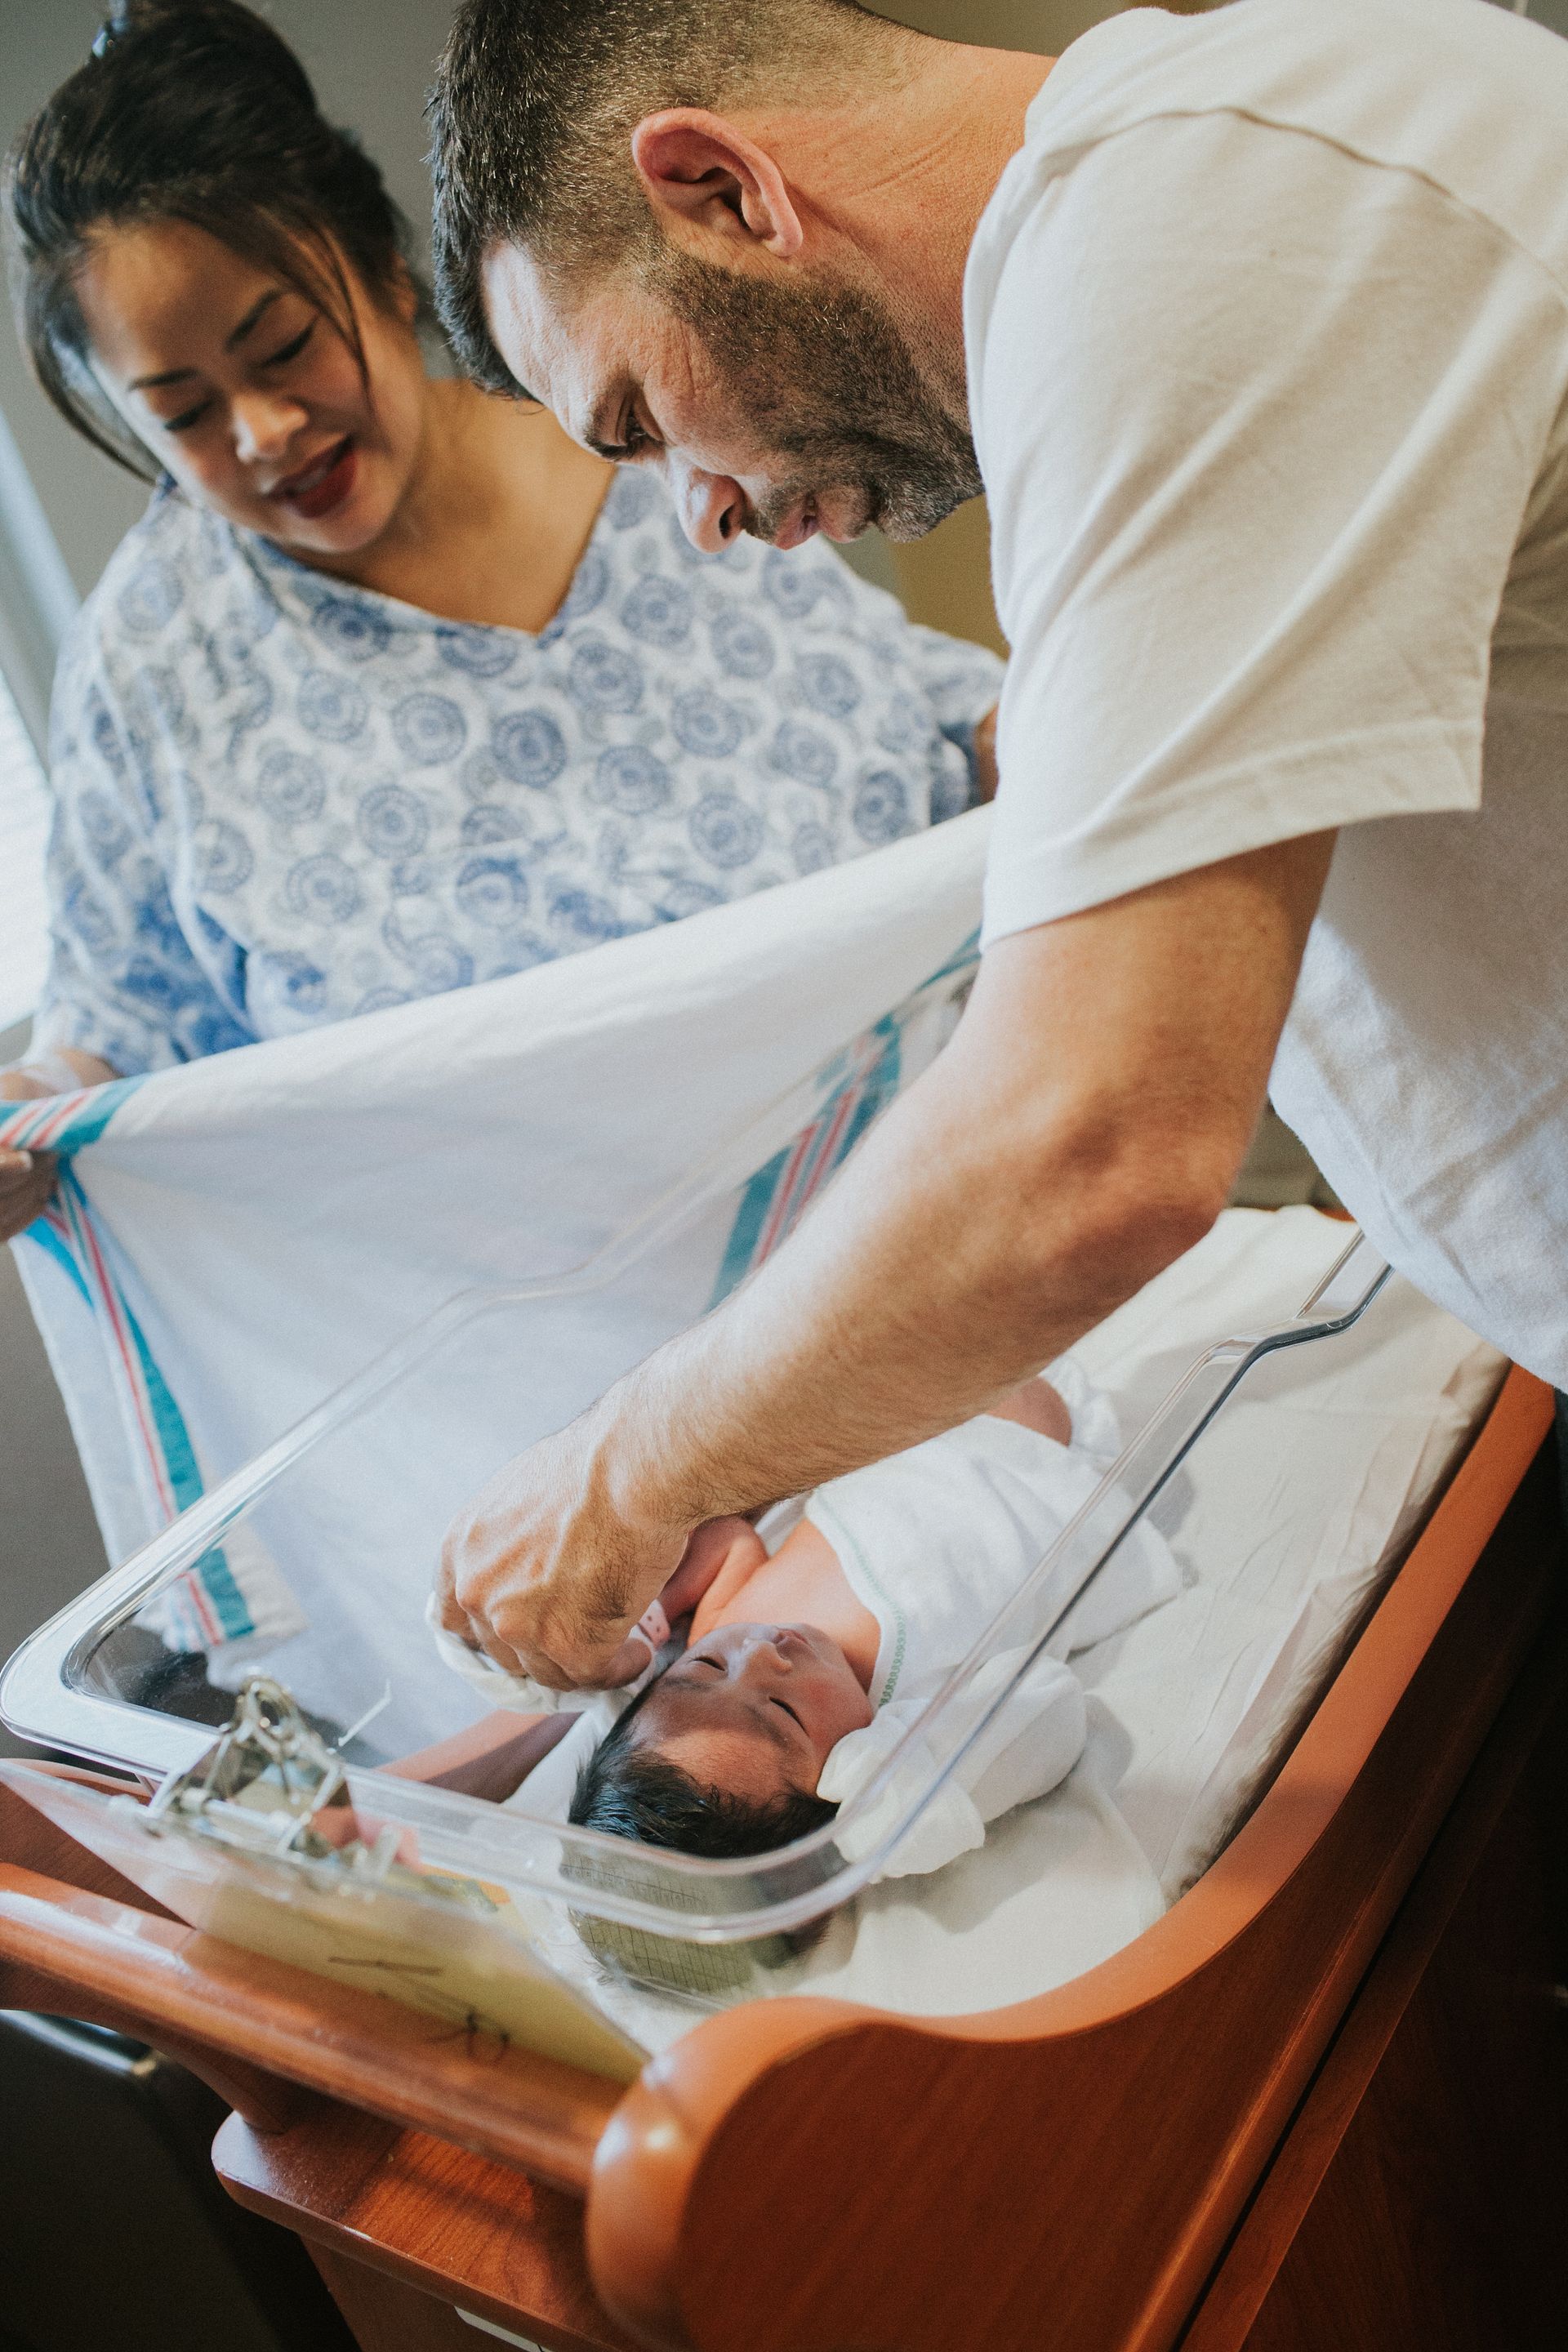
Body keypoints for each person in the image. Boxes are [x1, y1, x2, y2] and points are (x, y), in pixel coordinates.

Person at [425, 0, 1568, 1696]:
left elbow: (1095, 1140)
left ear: (720, 189)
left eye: (639, 421)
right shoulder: (1197, 197)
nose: (705, 512)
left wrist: (627, 1469)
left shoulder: (1185, 230)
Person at [0, 0, 1002, 1245]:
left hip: (932, 1216)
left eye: (283, 348)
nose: (261, 432)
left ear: (377, 266)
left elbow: (928, 733)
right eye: (185, 415)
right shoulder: (155, 664)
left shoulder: (645, 438)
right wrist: (26, 1122)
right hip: (524, 1348)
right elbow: (108, 1031)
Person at [423, 1361, 1175, 1872]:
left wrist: (663, 1603)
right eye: (782, 1708)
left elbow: (731, 1541)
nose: (760, 1655)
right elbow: (1043, 1704)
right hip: (1013, 1453)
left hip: (891, 1432)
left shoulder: (723, 1627)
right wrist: (896, 1784)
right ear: (835, 1780)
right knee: (984, 1360)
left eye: (707, 1669)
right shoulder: (899, 1718)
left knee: (859, 1354)